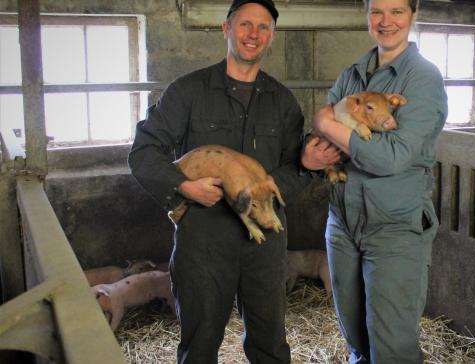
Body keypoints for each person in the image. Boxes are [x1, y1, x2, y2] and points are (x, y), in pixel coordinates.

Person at [128, 0, 338, 362]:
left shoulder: (283, 102)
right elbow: (144, 152)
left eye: (263, 28)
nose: (253, 34)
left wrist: (308, 165)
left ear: (271, 37)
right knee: (200, 343)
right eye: (245, 25)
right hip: (203, 240)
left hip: (265, 242)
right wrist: (183, 187)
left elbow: (293, 172)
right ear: (227, 29)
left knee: (270, 345)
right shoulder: (188, 92)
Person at [302, 0, 448, 362]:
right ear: (366, 15)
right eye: (376, 11)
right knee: (356, 338)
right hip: (343, 223)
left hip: (395, 225)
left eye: (397, 11)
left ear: (413, 15)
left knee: (391, 345)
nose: (386, 21)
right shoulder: (353, 73)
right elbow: (319, 142)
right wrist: (311, 150)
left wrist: (328, 125)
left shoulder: (422, 78)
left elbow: (391, 157)